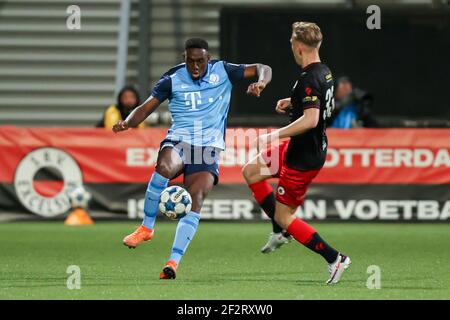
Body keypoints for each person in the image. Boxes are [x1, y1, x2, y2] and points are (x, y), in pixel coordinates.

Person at [113, 38, 272, 279]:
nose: (195, 66)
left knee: (195, 199)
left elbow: (264, 67)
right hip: (180, 140)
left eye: (200, 61)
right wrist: (127, 123)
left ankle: (172, 263)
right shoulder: (172, 79)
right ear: (184, 59)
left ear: (209, 59)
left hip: (208, 149)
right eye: (190, 61)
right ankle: (146, 227)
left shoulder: (224, 71)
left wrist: (261, 82)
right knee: (164, 167)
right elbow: (146, 108)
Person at [242, 22, 350, 284]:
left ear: (299, 46)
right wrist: (292, 103)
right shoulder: (322, 72)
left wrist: (271, 135)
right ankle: (279, 233)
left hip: (302, 158)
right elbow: (317, 104)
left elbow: (311, 120)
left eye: (291, 41)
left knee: (284, 214)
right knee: (251, 171)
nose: (290, 45)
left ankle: (335, 259)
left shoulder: (309, 78)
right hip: (298, 148)